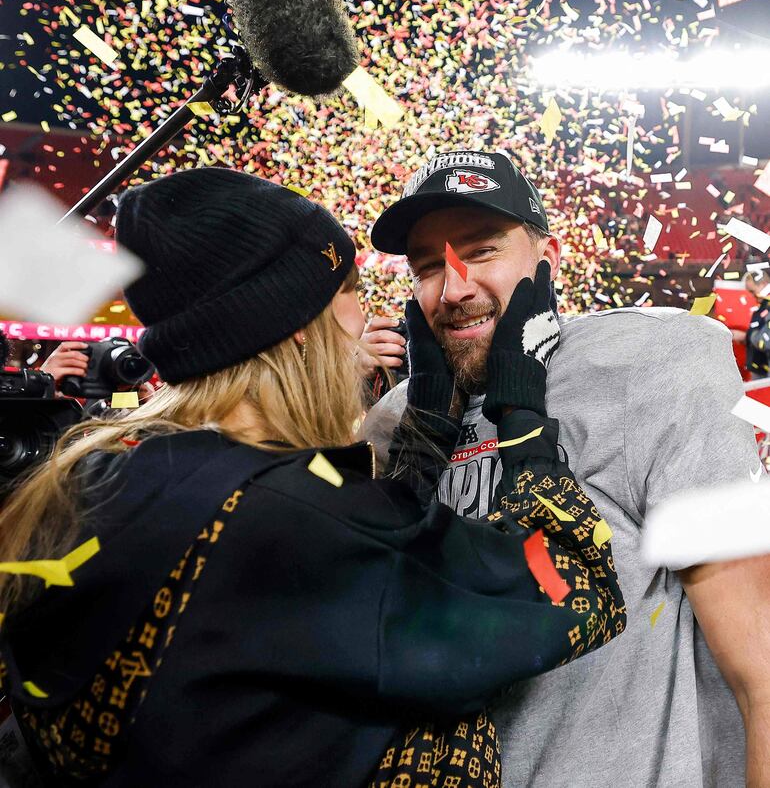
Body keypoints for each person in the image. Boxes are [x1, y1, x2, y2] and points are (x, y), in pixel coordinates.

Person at [0, 166, 624, 788]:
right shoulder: (295, 515)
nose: (365, 317)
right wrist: (519, 416)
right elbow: (574, 590)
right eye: (349, 288)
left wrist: (426, 435)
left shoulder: (84, 479)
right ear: (300, 326)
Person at [365, 148, 770, 788]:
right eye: (425, 267)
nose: (454, 286)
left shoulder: (653, 364)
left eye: (482, 250)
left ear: (546, 258)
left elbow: (762, 669)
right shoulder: (396, 424)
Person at [742, 269, 770, 380]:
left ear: (763, 284)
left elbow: (765, 341)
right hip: (759, 366)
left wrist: (752, 335)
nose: (752, 296)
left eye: (752, 291)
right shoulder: (762, 305)